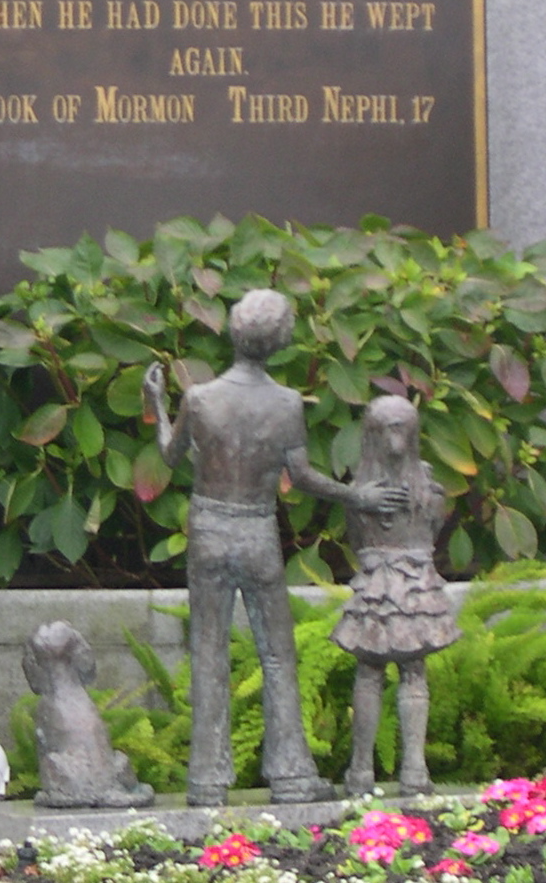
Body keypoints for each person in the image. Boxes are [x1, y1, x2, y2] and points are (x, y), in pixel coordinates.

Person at [142, 289, 406, 808]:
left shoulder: (199, 399)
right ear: (281, 341)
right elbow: (303, 477)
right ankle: (289, 774)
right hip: (257, 530)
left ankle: (207, 780)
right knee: (278, 655)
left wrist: (156, 403)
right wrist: (357, 495)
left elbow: (172, 459)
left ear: (235, 334)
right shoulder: (285, 403)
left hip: (209, 529)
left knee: (208, 651)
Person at [332, 393, 461, 795]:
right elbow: (432, 532)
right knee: (413, 671)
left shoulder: (360, 490)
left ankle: (361, 771)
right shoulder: (429, 488)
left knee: (370, 673)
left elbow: (356, 538)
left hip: (375, 582)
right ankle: (414, 771)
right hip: (416, 581)